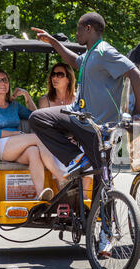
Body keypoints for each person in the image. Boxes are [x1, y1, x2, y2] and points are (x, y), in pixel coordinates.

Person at [30, 12, 140, 255]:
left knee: (103, 185)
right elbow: (74, 61)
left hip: (98, 128)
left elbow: (135, 74)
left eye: (79, 30)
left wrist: (139, 112)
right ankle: (75, 158)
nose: (77, 34)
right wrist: (52, 41)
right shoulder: (91, 54)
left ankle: (106, 236)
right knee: (39, 118)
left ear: (89, 28)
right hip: (77, 118)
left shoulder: (105, 52)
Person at [0, 69, 64, 200]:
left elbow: (36, 116)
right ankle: (61, 177)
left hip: (16, 145)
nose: (3, 83)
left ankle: (40, 194)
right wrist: (16, 133)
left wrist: (27, 96)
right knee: (37, 138)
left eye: (5, 80)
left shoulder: (14, 106)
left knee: (33, 151)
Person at [38, 62, 91, 197]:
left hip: (77, 140)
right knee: (57, 154)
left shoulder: (77, 99)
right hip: (56, 142)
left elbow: (84, 122)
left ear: (68, 78)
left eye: (60, 75)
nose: (55, 78)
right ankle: (64, 198)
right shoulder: (45, 100)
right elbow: (44, 127)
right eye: (53, 75)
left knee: (89, 151)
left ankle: (84, 198)